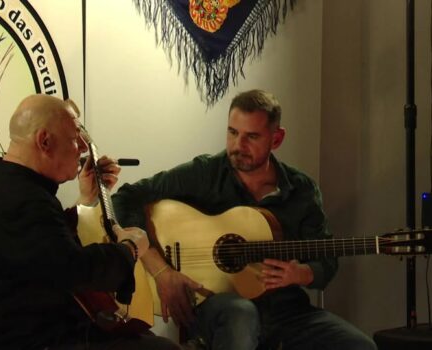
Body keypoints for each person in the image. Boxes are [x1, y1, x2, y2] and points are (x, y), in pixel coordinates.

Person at [112, 90, 377, 350]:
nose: (238, 146)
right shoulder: (206, 173)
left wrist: (303, 273)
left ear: (277, 138)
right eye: (232, 132)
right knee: (241, 314)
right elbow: (125, 198)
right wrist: (162, 272)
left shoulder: (302, 190)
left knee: (361, 346)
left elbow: (327, 260)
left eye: (251, 136)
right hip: (218, 307)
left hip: (285, 311)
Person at [0, 94, 181, 350]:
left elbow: (43, 248)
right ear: (44, 141)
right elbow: (76, 272)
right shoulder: (25, 199)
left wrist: (85, 200)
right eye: (74, 138)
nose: (81, 147)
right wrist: (130, 249)